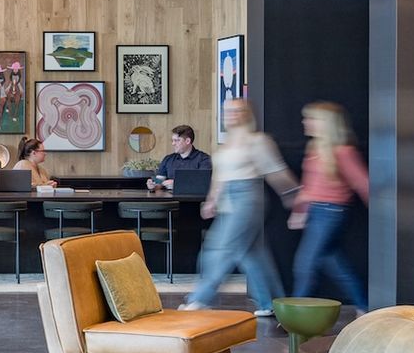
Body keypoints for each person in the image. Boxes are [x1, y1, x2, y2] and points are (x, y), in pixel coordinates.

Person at [183, 98, 295, 315]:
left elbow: (276, 172)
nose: (232, 114)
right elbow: (220, 176)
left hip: (249, 197)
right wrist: (212, 200)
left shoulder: (257, 141)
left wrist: (294, 194)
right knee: (253, 254)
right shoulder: (227, 144)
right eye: (228, 111)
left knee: (220, 248)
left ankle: (200, 299)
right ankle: (270, 303)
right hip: (229, 200)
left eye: (238, 110)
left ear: (247, 113)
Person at [291, 102, 368, 309]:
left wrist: (383, 215)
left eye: (312, 118)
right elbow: (309, 186)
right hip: (316, 212)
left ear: (327, 124)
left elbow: (362, 183)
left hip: (331, 212)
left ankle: (295, 316)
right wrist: (299, 211)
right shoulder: (314, 148)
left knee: (305, 264)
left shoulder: (343, 151)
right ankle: (365, 306)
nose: (305, 122)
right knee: (333, 264)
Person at [148, 123, 212, 192]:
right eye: (172, 140)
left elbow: (203, 183)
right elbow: (159, 181)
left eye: (177, 140)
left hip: (193, 200)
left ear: (187, 141)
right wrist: (153, 185)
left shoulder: (204, 159)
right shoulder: (168, 159)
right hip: (168, 201)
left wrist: (177, 184)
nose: (173, 144)